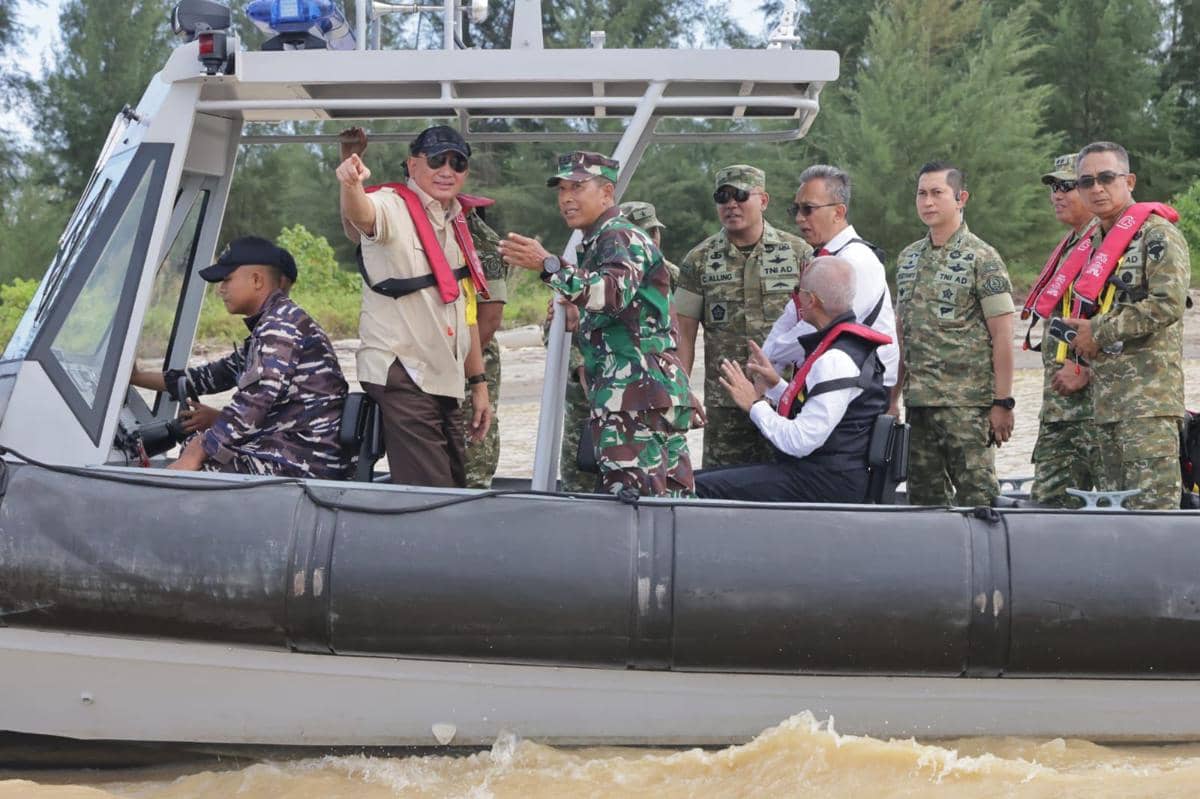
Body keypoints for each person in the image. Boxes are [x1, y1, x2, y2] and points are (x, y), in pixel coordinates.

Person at [499, 151, 702, 497]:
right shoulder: (598, 242)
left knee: (637, 505)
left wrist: (549, 265)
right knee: (668, 505)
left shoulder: (618, 237)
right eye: (561, 190)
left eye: (577, 187)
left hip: (634, 398)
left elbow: (609, 295)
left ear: (606, 193)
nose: (566, 198)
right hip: (641, 395)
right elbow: (622, 314)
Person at [337, 124, 492, 488]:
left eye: (458, 163)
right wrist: (350, 183)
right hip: (404, 370)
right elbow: (363, 214)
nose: (447, 170)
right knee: (430, 493)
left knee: (455, 482)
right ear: (413, 164)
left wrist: (479, 385)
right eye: (437, 159)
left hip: (444, 376)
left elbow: (463, 308)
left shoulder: (456, 221)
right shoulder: (393, 206)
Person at [130, 236, 349, 479]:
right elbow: (208, 377)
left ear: (256, 280)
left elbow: (256, 402)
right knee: (195, 446)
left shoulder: (279, 328)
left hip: (302, 461)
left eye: (227, 279)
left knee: (197, 468)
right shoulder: (272, 324)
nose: (220, 289)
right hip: (287, 449)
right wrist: (135, 377)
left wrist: (198, 450)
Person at [695, 256, 889, 502]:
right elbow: (825, 407)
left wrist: (754, 405)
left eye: (798, 292)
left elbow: (800, 441)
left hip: (827, 481)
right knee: (698, 479)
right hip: (829, 473)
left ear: (811, 300)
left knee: (696, 488)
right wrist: (776, 385)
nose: (796, 299)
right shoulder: (847, 347)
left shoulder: (836, 359)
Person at [1063, 141, 1190, 510]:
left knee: (1155, 517)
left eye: (1106, 178)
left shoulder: (1157, 235)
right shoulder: (1095, 243)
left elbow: (1167, 304)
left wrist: (1099, 332)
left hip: (1147, 405)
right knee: (1116, 515)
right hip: (1105, 405)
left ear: (1129, 180)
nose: (1096, 188)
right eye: (1086, 182)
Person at [894, 161, 1015, 507]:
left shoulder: (983, 258)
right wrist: (894, 397)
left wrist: (1003, 402)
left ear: (961, 198)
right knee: (924, 503)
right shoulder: (908, 258)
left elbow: (1003, 336)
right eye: (921, 194)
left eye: (937, 193)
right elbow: (903, 332)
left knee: (979, 500)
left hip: (968, 407)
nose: (928, 202)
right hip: (919, 405)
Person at [675, 165, 812, 468]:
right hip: (726, 406)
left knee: (787, 490)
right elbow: (683, 334)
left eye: (740, 195)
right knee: (723, 494)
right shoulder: (698, 260)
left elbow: (817, 326)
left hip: (784, 397)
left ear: (763, 200)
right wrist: (681, 390)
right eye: (723, 197)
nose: (731, 204)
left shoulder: (798, 254)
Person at [557, 200, 679, 493]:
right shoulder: (588, 270)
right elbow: (563, 331)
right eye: (643, 231)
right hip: (597, 392)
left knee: (649, 489)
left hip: (641, 393)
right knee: (585, 481)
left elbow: (672, 329)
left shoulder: (661, 270)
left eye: (653, 232)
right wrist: (578, 368)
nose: (649, 239)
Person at [761, 164, 899, 408]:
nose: (799, 218)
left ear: (838, 212)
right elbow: (792, 315)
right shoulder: (824, 258)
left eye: (808, 209)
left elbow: (818, 329)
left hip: (862, 392)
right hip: (832, 385)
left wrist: (770, 359)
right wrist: (765, 361)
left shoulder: (856, 261)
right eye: (796, 208)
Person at [1027, 154, 1102, 507]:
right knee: (1050, 507)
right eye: (1054, 187)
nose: (1057, 194)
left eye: (1067, 186)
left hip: (1087, 414)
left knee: (1071, 510)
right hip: (1060, 411)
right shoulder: (1072, 245)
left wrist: (1089, 371)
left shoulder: (1106, 247)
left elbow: (1123, 325)